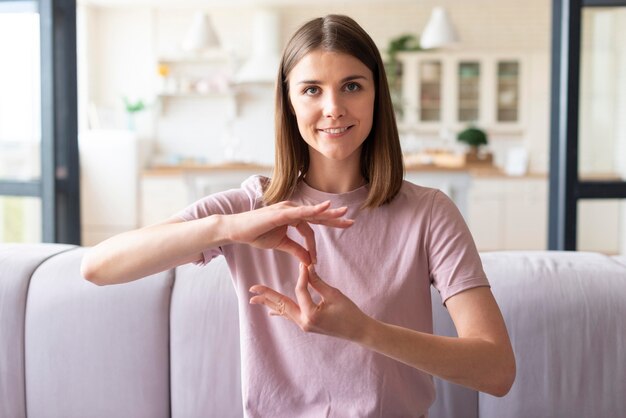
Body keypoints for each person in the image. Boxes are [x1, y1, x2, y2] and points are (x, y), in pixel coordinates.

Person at [82, 14, 515, 417]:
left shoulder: (429, 213)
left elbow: (496, 370)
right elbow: (97, 267)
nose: (333, 108)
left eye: (352, 86)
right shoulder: (251, 207)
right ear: (289, 102)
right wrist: (228, 228)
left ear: (377, 95)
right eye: (312, 89)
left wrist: (364, 331)